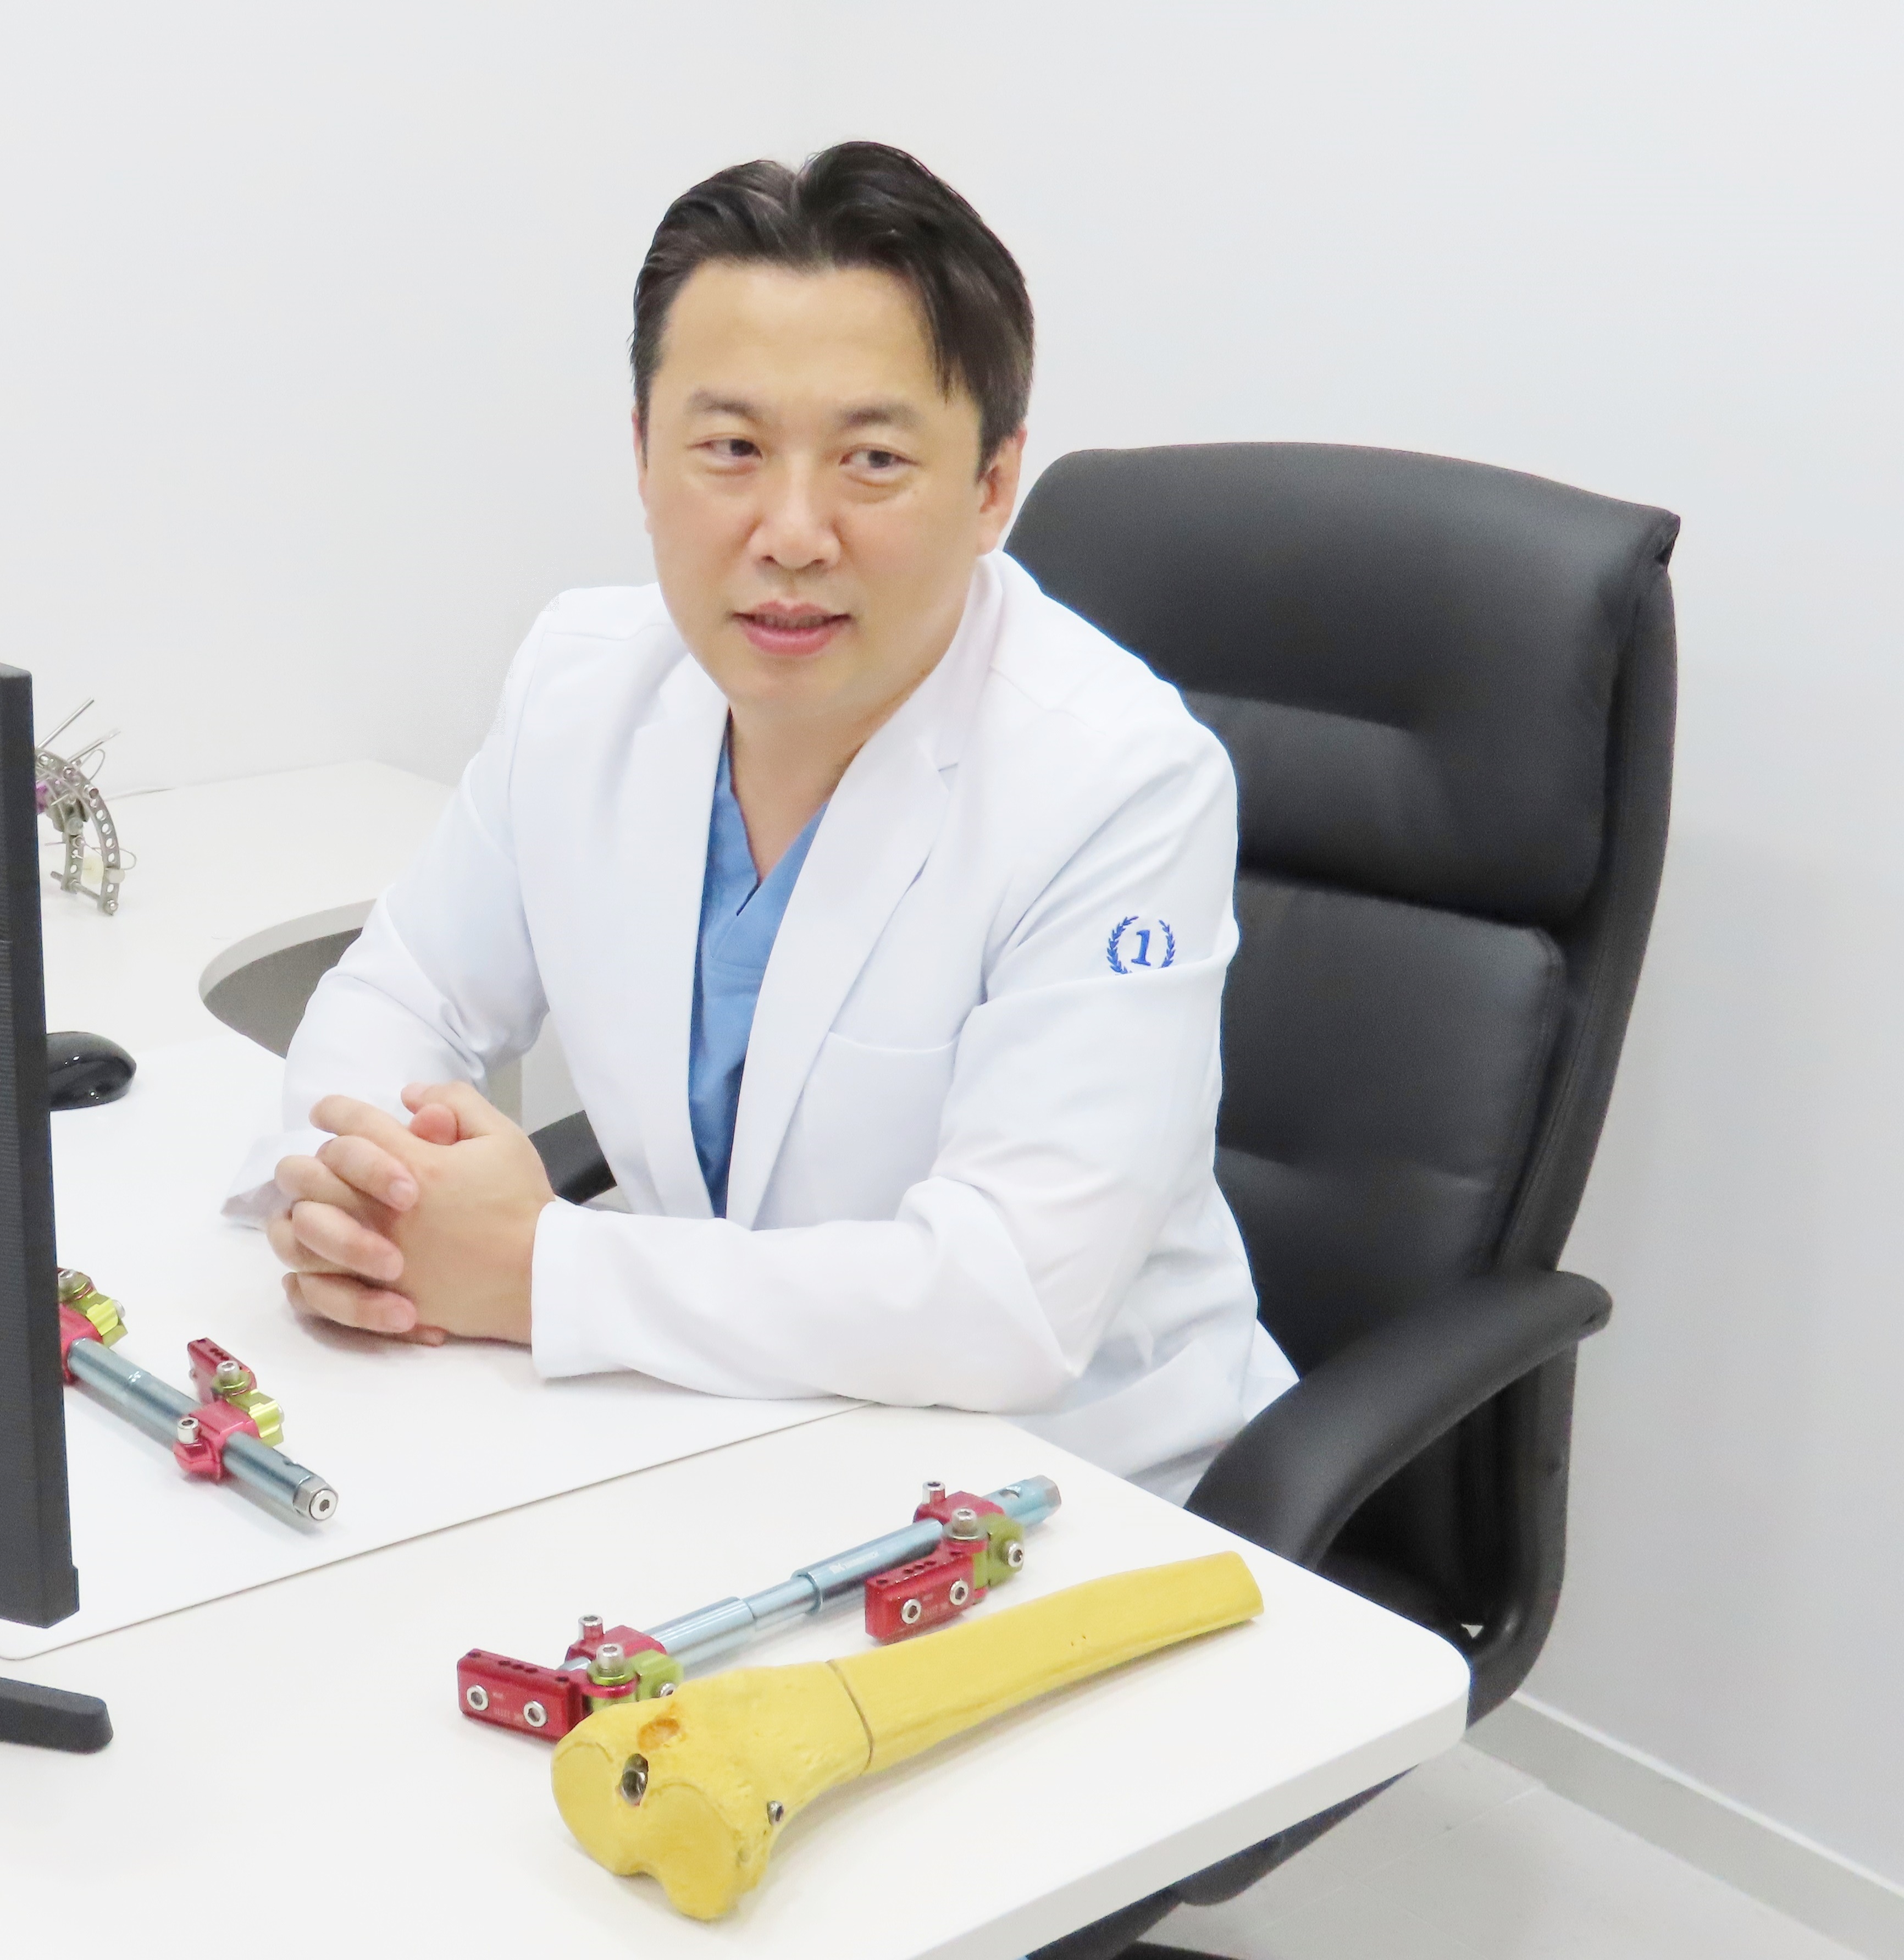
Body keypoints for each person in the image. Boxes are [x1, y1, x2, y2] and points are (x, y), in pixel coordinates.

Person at [224, 141, 1292, 1499]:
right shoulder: (580, 684)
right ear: (641, 453)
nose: (790, 531)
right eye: (729, 449)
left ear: (991, 485)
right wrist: (368, 1211)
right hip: (717, 1436)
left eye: (871, 459)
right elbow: (407, 988)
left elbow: (1006, 1296)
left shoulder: (1117, 780)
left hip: (1065, 1489)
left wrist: (538, 1269)